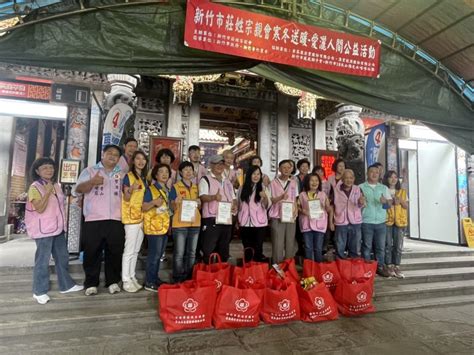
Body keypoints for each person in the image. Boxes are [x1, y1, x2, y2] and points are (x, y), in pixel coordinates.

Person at [25, 158, 83, 304]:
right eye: (45, 168)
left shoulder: (56, 185)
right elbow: (40, 208)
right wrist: (47, 191)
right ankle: (39, 291)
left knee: (62, 257)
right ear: (37, 171)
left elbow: (60, 203)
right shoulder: (35, 187)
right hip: (43, 230)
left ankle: (66, 285)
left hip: (57, 228)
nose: (49, 170)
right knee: (42, 261)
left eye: (51, 167)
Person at [75, 145, 125, 296]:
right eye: (109, 153)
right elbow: (77, 189)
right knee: (92, 252)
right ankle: (91, 283)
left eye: (116, 155)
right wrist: (91, 182)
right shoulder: (90, 171)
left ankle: (113, 281)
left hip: (116, 219)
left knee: (115, 252)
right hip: (94, 219)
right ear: (102, 155)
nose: (112, 156)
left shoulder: (122, 174)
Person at [199, 154, 237, 262]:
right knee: (209, 250)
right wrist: (213, 197)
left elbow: (233, 198)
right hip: (212, 219)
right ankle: (208, 275)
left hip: (226, 219)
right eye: (217, 164)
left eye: (222, 164)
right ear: (211, 165)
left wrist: (234, 206)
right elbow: (202, 197)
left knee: (224, 249)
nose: (220, 166)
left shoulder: (227, 181)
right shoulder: (205, 179)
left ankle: (221, 275)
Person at [121, 150, 148, 293]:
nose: (141, 161)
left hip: (141, 217)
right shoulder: (128, 177)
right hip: (131, 218)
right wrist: (130, 189)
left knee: (136, 250)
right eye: (138, 158)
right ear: (133, 161)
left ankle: (132, 277)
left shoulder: (143, 178)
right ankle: (125, 279)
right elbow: (125, 198)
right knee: (129, 250)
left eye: (143, 159)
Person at [169, 161, 201, 283]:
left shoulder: (196, 187)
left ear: (193, 172)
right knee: (179, 253)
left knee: (192, 253)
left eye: (190, 170)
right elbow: (171, 207)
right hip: (180, 224)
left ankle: (189, 277)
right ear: (181, 172)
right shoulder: (175, 187)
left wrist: (199, 204)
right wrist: (175, 202)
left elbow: (199, 207)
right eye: (185, 170)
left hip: (195, 224)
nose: (188, 172)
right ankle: (177, 278)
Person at [359, 164, 393, 277]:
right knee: (367, 246)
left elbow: (389, 205)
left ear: (379, 175)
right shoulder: (360, 187)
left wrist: (385, 203)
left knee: (380, 247)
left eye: (377, 172)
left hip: (381, 222)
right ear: (367, 173)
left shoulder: (383, 188)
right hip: (366, 221)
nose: (374, 174)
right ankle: (366, 268)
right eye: (372, 172)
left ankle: (380, 267)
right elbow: (356, 204)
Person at [142, 163, 171, 292]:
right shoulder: (151, 189)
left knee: (158, 255)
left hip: (164, 227)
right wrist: (153, 202)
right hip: (154, 228)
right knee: (153, 255)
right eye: (161, 172)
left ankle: (155, 278)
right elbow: (144, 207)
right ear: (156, 174)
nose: (164, 174)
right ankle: (149, 281)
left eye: (166, 172)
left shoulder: (167, 189)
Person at [237, 165, 271, 262]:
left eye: (258, 174)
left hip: (259, 224)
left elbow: (267, 206)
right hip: (245, 223)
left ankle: (258, 272)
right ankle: (248, 271)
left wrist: (264, 197)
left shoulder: (264, 188)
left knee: (258, 248)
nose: (256, 176)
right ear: (249, 175)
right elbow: (239, 204)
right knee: (247, 248)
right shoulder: (242, 188)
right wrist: (238, 220)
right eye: (253, 174)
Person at [268, 160, 299, 263]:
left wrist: (295, 210)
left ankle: (288, 269)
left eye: (289, 167)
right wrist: (281, 197)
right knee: (278, 244)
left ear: (292, 169)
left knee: (290, 243)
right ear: (279, 169)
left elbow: (295, 199)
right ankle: (277, 269)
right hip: (277, 216)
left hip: (290, 216)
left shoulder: (294, 182)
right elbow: (270, 200)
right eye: (284, 167)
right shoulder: (273, 183)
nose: (286, 169)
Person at [298, 173, 333, 262]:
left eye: (316, 180)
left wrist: (326, 206)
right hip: (306, 224)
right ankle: (309, 269)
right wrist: (303, 211)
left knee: (318, 248)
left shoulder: (323, 195)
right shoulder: (302, 195)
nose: (314, 182)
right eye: (312, 180)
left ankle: (318, 268)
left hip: (320, 224)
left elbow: (328, 208)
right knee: (308, 247)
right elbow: (297, 207)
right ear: (307, 182)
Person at [333, 169, 364, 259]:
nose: (349, 180)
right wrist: (331, 221)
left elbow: (362, 204)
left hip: (355, 221)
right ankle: (340, 267)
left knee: (355, 247)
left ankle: (353, 268)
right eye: (346, 178)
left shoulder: (358, 189)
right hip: (340, 221)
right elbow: (331, 206)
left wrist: (361, 202)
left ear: (354, 179)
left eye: (351, 178)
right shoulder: (336, 190)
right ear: (342, 179)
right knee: (340, 247)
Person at [383, 170, 408, 279]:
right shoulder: (383, 190)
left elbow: (406, 206)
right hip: (387, 220)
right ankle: (389, 266)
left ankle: (397, 266)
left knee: (398, 245)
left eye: (395, 177)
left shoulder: (402, 191)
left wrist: (401, 201)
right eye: (390, 177)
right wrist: (389, 203)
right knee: (388, 245)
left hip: (399, 221)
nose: (393, 179)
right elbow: (382, 207)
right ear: (386, 179)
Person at [295, 159, 311, 258]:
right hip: (297, 205)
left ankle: (307, 249)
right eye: (302, 166)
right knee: (298, 229)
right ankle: (300, 249)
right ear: (299, 167)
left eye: (306, 166)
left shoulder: (311, 178)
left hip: (308, 206)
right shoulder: (294, 178)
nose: (304, 168)